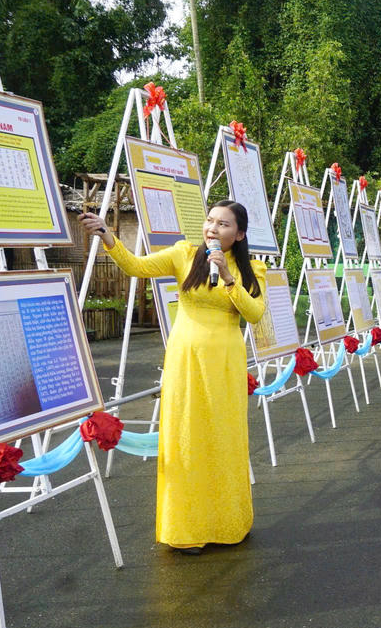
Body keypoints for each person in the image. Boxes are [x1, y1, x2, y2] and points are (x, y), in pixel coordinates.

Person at [79, 201, 266, 554]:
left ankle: (227, 523)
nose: (213, 228)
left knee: (222, 437)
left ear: (239, 234)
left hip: (225, 363)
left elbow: (255, 313)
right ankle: (187, 528)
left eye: (223, 224)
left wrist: (227, 276)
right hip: (186, 359)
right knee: (186, 436)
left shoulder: (251, 269)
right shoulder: (184, 255)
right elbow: (136, 267)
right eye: (210, 221)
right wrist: (106, 235)